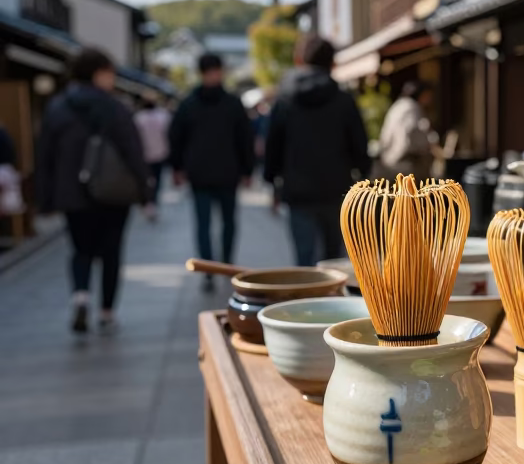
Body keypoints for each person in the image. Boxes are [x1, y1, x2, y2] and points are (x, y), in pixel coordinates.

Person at [36, 48, 149, 333]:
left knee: (80, 249)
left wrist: (45, 197)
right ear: (99, 73)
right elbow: (132, 151)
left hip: (72, 193)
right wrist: (145, 190)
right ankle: (107, 311)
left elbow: (45, 156)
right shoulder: (115, 107)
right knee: (111, 251)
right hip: (113, 192)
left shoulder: (57, 107)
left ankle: (81, 297)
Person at [263, 36, 369, 266]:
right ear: (332, 63)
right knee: (334, 260)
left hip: (297, 189)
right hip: (336, 187)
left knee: (304, 258)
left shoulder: (284, 100)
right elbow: (359, 144)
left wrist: (272, 182)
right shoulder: (343, 100)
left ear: (299, 59)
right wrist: (363, 176)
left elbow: (274, 145)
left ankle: (306, 299)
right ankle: (330, 299)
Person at [170, 53, 254, 291]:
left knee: (207, 224)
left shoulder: (188, 104)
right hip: (225, 172)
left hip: (201, 173)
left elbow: (176, 138)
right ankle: (221, 267)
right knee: (224, 223)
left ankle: (212, 269)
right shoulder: (232, 103)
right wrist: (247, 170)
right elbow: (245, 139)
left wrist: (177, 167)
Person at [376, 79, 435, 181]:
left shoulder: (399, 105)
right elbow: (413, 136)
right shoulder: (412, 107)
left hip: (389, 159)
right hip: (404, 161)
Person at [133, 96, 171, 220]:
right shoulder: (163, 116)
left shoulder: (138, 118)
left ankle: (147, 203)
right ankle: (152, 203)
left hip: (144, 155)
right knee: (157, 180)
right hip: (159, 153)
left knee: (145, 180)